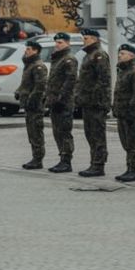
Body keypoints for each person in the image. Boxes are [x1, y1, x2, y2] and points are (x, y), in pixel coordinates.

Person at [76, 29, 111, 178]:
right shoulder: (88, 55)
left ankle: (98, 165)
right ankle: (93, 163)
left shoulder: (99, 55)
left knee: (97, 134)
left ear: (95, 39)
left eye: (87, 38)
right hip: (88, 102)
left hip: (96, 102)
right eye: (84, 38)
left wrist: (96, 99)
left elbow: (103, 80)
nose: (84, 40)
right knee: (90, 134)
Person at [46, 33, 78, 173]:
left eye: (60, 42)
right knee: (57, 132)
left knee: (64, 132)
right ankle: (62, 158)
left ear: (67, 43)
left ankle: (66, 161)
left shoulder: (69, 59)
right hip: (55, 101)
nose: (57, 45)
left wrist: (61, 99)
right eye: (56, 42)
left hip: (63, 102)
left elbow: (70, 81)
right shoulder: (57, 59)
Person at [112, 44, 135, 182]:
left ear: (132, 56)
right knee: (126, 143)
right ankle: (129, 168)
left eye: (123, 53)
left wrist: (131, 110)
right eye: (120, 53)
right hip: (122, 113)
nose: (120, 55)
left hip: (131, 114)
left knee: (133, 144)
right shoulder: (122, 70)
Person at [15, 40, 48, 169]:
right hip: (29, 105)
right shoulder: (29, 65)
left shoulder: (38, 66)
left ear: (35, 51)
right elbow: (26, 84)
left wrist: (31, 100)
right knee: (31, 132)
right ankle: (35, 157)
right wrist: (19, 92)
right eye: (26, 49)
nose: (26, 51)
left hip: (35, 105)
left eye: (29, 49)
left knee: (36, 132)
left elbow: (40, 86)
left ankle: (38, 159)